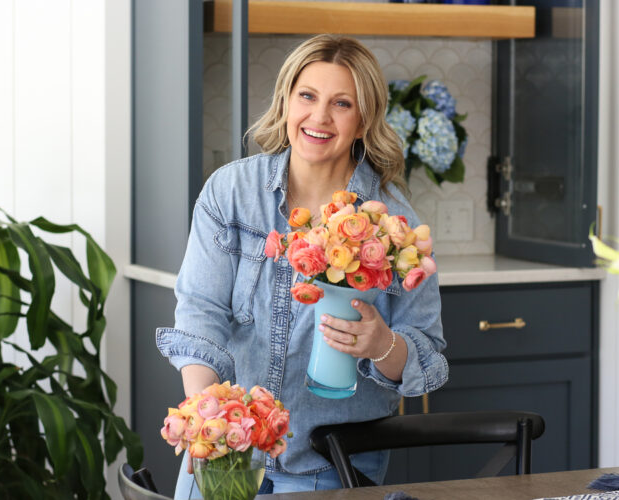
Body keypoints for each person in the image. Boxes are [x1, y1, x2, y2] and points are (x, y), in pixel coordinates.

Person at [156, 34, 447, 498]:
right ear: (286, 101)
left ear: (364, 119)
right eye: (307, 96)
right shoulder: (231, 193)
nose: (319, 117)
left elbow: (427, 359)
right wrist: (203, 414)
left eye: (342, 103)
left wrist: (381, 344)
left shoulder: (394, 224)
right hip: (228, 450)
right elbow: (200, 313)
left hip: (331, 462)